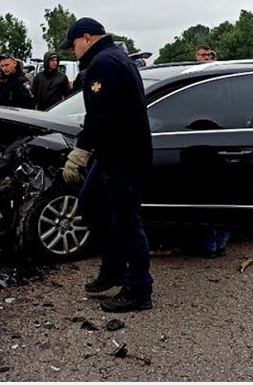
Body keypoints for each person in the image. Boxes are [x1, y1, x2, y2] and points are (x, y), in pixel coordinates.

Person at [59, 17, 153, 312]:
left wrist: (80, 153)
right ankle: (113, 269)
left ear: (86, 37)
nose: (71, 51)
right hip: (113, 153)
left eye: (72, 44)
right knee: (90, 205)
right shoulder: (114, 58)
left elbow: (100, 116)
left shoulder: (104, 64)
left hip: (124, 155)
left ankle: (139, 290)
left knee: (127, 221)